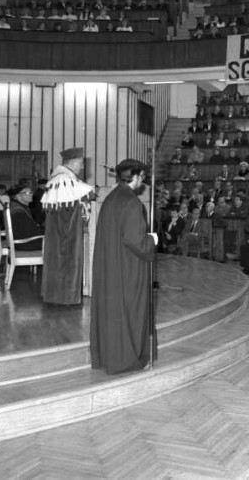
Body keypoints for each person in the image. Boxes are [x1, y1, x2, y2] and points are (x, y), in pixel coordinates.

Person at [90, 159, 157, 375]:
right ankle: (128, 359)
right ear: (135, 176)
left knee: (114, 313)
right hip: (128, 267)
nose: (143, 180)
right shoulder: (131, 202)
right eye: (142, 176)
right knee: (130, 311)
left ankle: (109, 356)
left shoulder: (111, 198)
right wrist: (152, 240)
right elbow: (135, 240)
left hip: (111, 265)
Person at [40, 147, 94, 305]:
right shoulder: (64, 178)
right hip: (65, 231)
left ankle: (57, 296)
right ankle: (65, 297)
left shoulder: (59, 178)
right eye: (81, 163)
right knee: (66, 257)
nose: (82, 167)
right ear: (74, 162)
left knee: (58, 258)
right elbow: (87, 193)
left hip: (59, 230)